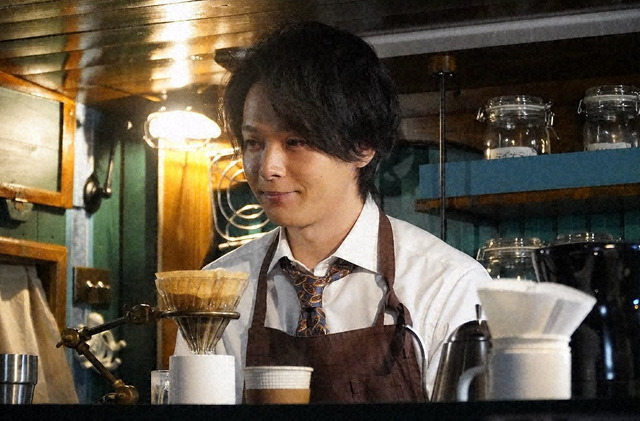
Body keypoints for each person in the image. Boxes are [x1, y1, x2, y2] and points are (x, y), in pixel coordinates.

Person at [176, 21, 491, 403]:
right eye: (254, 142)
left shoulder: (447, 285)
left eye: (295, 141)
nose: (268, 167)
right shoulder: (216, 293)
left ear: (363, 146)